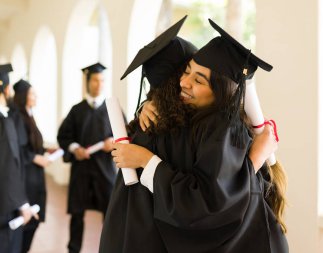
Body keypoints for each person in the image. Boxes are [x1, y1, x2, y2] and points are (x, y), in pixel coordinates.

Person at [100, 18, 288, 253]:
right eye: (186, 72)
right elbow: (211, 202)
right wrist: (253, 161)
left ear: (221, 91)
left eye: (198, 79)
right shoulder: (179, 123)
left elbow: (209, 203)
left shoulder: (218, 128)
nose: (183, 83)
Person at [57, 62, 117, 253]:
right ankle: (73, 249)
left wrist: (113, 143)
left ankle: (110, 249)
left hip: (104, 170)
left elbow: (126, 134)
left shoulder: (112, 109)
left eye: (102, 81)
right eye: (95, 80)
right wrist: (75, 148)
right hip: (81, 170)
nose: (99, 84)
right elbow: (64, 136)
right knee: (77, 214)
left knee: (110, 215)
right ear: (88, 82)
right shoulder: (77, 110)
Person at [13, 79, 50, 253]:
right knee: (26, 224)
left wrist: (46, 152)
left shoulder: (29, 116)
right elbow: (18, 149)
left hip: (36, 177)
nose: (36, 97)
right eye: (32, 94)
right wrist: (36, 157)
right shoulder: (17, 118)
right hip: (26, 178)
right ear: (23, 96)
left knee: (33, 221)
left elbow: (33, 144)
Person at [0, 65, 33, 253]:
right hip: (5, 206)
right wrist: (22, 204)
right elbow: (7, 165)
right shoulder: (4, 122)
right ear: (6, 89)